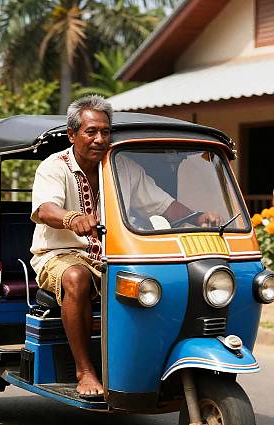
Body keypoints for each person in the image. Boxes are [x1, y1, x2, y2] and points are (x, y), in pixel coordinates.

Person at [30, 95, 221, 398]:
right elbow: (45, 210)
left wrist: (198, 216)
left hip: (111, 254)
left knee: (161, 283)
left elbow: (164, 204)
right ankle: (85, 371)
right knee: (76, 277)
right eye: (90, 132)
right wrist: (70, 217)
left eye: (105, 132)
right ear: (72, 135)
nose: (99, 139)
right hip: (58, 254)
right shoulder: (54, 167)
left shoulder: (123, 167)